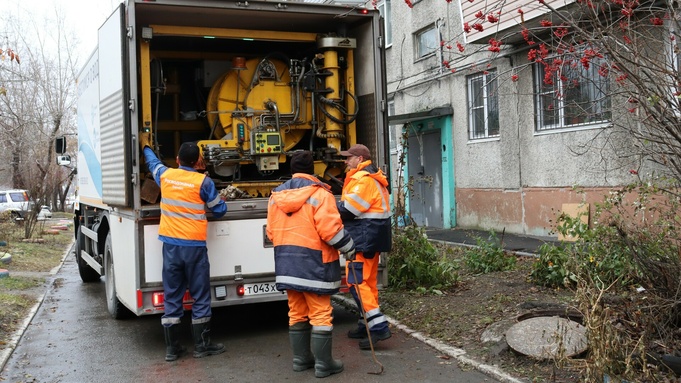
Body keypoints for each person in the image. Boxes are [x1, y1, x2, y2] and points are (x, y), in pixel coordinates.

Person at [266, 151, 356, 378]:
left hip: (287, 264)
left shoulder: (276, 196)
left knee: (296, 312)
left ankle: (301, 359)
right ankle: (324, 364)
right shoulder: (320, 194)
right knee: (321, 314)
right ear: (312, 169)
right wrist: (349, 248)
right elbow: (331, 231)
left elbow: (271, 233)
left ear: (291, 168)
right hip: (315, 263)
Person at [139, 134, 227, 362]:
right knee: (200, 296)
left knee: (172, 296)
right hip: (194, 248)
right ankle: (201, 346)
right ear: (198, 161)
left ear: (177, 159)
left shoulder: (165, 175)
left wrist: (146, 145)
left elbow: (152, 163)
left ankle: (173, 349)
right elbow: (219, 210)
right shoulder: (203, 182)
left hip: (171, 246)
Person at [338, 143, 392, 350]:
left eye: (349, 157)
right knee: (367, 285)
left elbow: (349, 210)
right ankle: (365, 324)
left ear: (359, 159)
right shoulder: (372, 178)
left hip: (363, 239)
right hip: (371, 239)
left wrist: (325, 205)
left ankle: (378, 327)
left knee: (357, 284)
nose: (345, 161)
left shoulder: (364, 181)